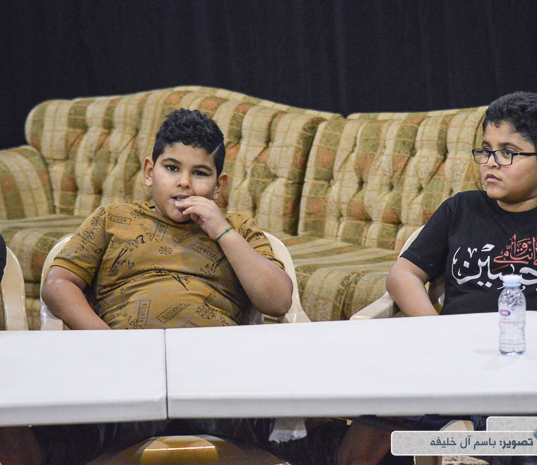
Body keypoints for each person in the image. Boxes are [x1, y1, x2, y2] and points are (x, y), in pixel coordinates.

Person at [0, 109, 390, 465]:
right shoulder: (113, 218)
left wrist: (222, 230)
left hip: (218, 381)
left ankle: (383, 421)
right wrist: (107, 341)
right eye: (172, 168)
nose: (184, 182)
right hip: (126, 376)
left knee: (323, 440)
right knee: (45, 443)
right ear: (150, 171)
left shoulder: (238, 229)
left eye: (200, 173)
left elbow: (277, 299)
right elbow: (58, 284)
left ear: (219, 185)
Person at [384, 92, 537, 463]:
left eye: (508, 152)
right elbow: (402, 274)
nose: (491, 163)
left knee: (521, 418)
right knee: (381, 405)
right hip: (458, 359)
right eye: (486, 150)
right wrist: (439, 333)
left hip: (531, 365)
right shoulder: (461, 209)